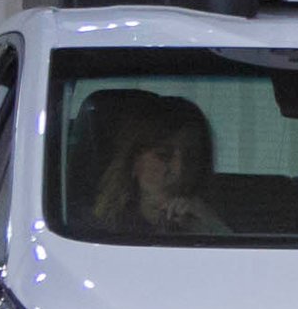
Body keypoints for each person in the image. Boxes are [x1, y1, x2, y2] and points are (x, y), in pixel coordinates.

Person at [79, 90, 228, 236]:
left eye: (192, 157)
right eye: (164, 156)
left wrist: (209, 226)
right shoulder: (90, 233)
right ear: (133, 162)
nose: (179, 170)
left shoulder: (214, 221)